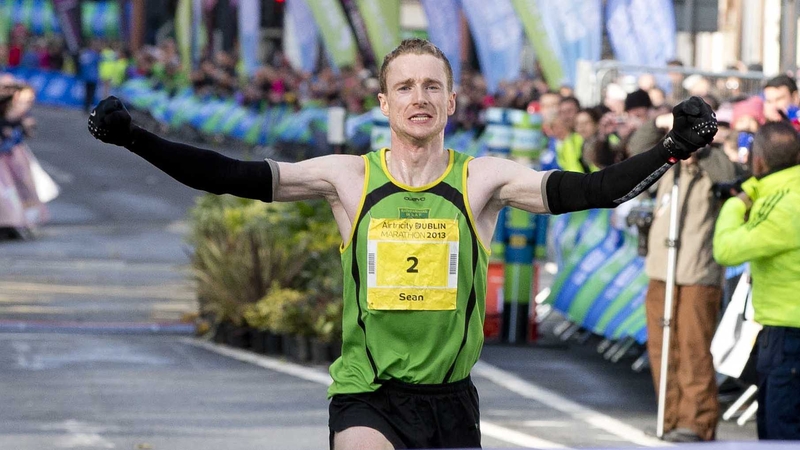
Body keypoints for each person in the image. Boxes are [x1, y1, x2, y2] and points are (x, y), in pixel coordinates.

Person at [87, 39, 717, 450]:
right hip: (368, 391)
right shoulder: (348, 177)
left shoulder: (483, 179)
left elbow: (594, 190)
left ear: (450, 101)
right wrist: (135, 138)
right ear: (384, 102)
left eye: (432, 86)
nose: (419, 98)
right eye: (406, 87)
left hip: (450, 399)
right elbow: (230, 175)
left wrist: (671, 148)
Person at [642, 138, 736, 443]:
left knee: (693, 349)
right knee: (662, 347)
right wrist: (663, 132)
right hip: (661, 269)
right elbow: (637, 149)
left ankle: (696, 421)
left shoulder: (716, 163)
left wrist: (704, 150)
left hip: (698, 272)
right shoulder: (668, 164)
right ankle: (668, 417)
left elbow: (730, 177)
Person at [713, 121, 800, 441]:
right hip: (784, 329)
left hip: (787, 332)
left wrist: (736, 203)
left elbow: (726, 250)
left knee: (779, 433)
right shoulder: (785, 192)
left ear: (758, 160)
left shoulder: (782, 205)